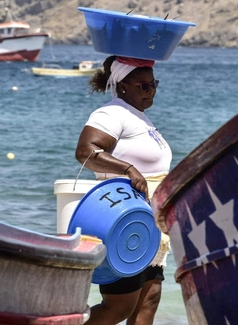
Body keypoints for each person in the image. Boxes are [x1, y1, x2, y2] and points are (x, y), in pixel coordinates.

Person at [75, 55, 172, 325]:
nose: (150, 90)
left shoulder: (140, 118)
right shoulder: (112, 113)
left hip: (147, 223)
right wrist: (129, 169)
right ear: (122, 85)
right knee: (118, 307)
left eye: (154, 84)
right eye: (143, 85)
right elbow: (86, 151)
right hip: (122, 220)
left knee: (148, 302)